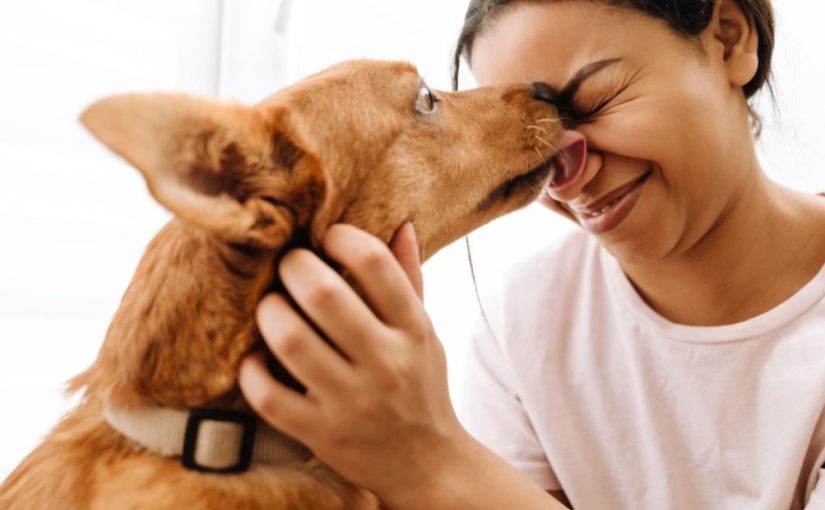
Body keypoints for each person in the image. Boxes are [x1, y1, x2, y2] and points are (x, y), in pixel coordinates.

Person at [238, 0, 825, 508]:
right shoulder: (522, 324)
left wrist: (431, 458)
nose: (568, 179)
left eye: (596, 99)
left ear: (728, 36)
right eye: (539, 150)